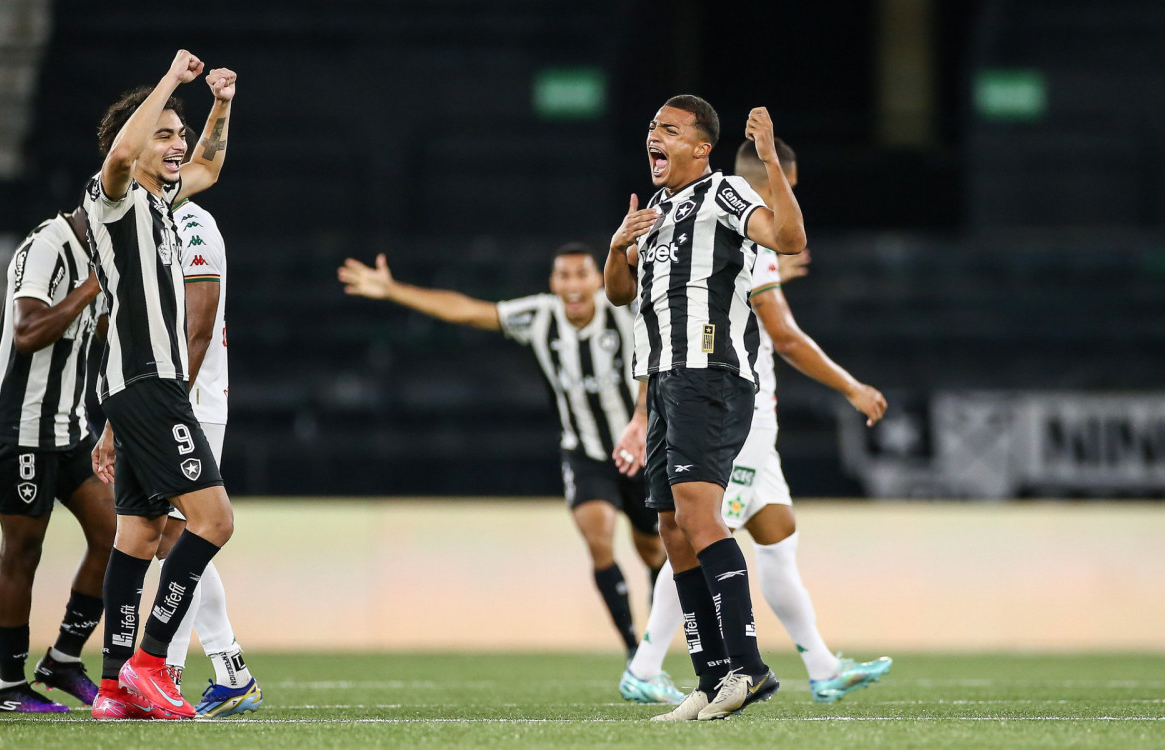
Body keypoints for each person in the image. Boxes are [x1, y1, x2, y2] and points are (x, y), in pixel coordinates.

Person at [619, 138, 893, 706]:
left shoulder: (720, 238)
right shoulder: (741, 219)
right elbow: (785, 337)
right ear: (773, 185)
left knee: (777, 536)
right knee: (697, 526)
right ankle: (649, 665)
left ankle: (820, 665)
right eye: (787, 188)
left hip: (745, 416)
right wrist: (851, 386)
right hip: (729, 412)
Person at [338, 244, 674, 685]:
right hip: (584, 452)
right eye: (563, 276)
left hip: (637, 452)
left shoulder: (626, 314)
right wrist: (394, 290)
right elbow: (467, 311)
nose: (572, 285)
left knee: (653, 551)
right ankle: (636, 655)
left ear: (596, 280)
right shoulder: (539, 317)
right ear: (553, 284)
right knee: (599, 539)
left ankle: (653, 644)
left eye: (580, 275)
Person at [605, 94, 806, 721]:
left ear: (701, 146)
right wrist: (617, 248)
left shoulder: (723, 192)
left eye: (669, 129)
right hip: (665, 380)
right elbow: (619, 294)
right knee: (672, 530)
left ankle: (748, 669)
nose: (654, 137)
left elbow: (789, 237)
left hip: (709, 373)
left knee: (697, 516)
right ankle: (711, 675)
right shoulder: (657, 211)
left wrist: (769, 158)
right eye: (650, 128)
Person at [84, 49, 238, 721]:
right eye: (165, 134)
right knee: (212, 521)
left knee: (141, 533)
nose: (178, 146)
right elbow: (121, 150)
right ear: (136, 145)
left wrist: (219, 106)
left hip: (135, 388)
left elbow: (208, 165)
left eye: (178, 133)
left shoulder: (165, 195)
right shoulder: (112, 197)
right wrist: (172, 81)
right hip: (150, 382)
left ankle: (115, 685)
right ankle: (151, 662)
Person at [139, 126, 261, 718]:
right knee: (174, 539)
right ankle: (226, 668)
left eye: (178, 138)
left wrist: (173, 402)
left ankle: (174, 669)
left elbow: (199, 324)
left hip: (192, 402)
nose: (175, 148)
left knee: (190, 532)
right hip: (166, 400)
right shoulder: (150, 222)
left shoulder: (193, 225)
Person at [0, 211, 115, 712]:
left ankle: (63, 659)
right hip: (20, 427)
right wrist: (93, 287)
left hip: (70, 427)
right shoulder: (48, 245)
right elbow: (28, 330)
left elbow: (95, 336)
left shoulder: (107, 252)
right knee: (23, 550)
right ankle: (9, 686)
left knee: (115, 534)